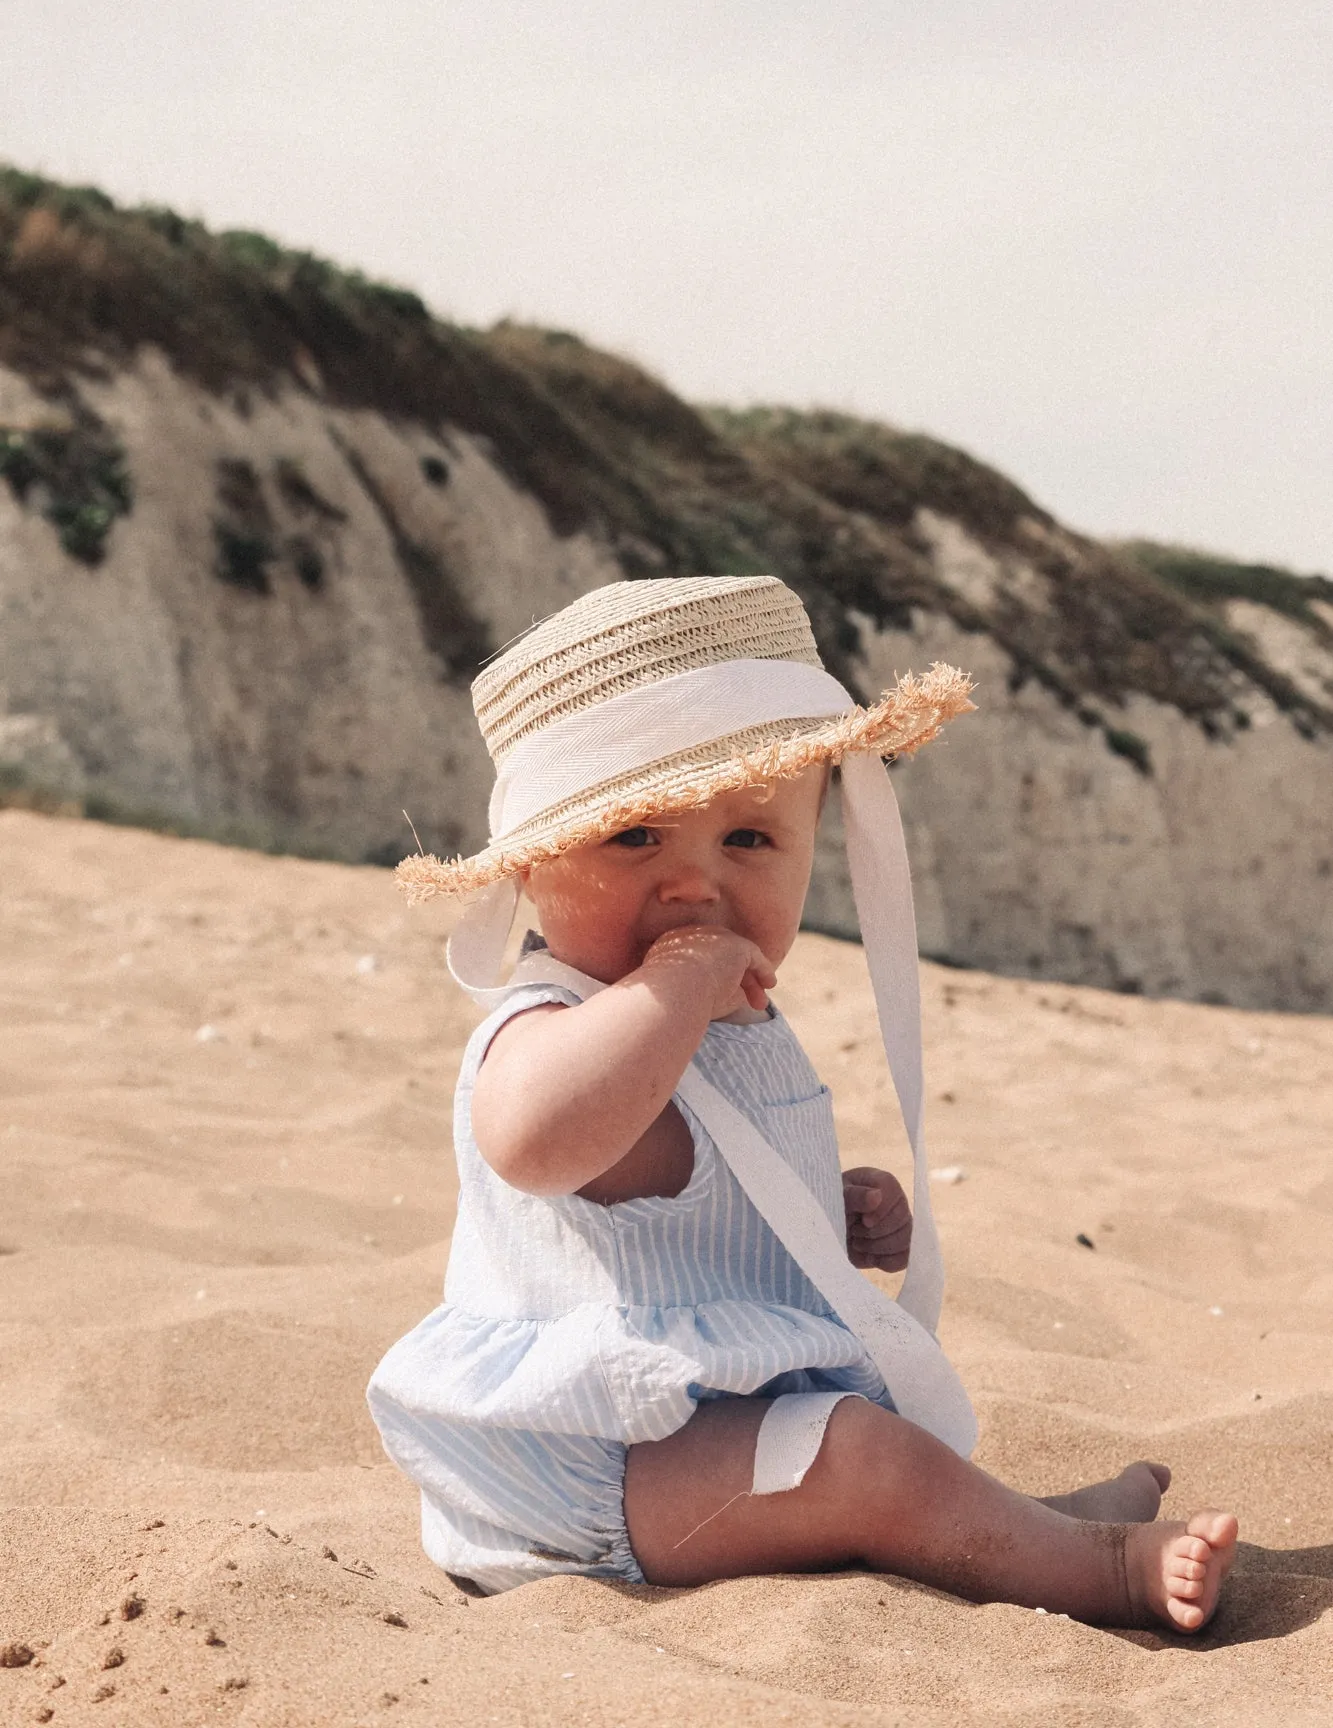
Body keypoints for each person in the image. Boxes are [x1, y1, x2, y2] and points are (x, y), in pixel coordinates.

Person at [368, 574, 1236, 1629]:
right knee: (859, 1456)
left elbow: (699, 1193)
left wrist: (829, 1204)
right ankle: (1099, 1566)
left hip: (701, 1422)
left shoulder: (723, 1021)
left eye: (748, 840)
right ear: (531, 870)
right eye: (634, 837)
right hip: (585, 1465)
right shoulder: (549, 1020)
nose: (693, 883)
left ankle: (1026, 1527)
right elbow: (537, 1142)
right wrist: (675, 986)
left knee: (870, 1452)